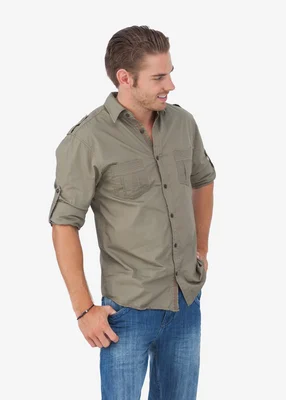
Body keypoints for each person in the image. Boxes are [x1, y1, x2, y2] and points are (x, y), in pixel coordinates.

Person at [49, 25, 215, 399]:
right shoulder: (88, 140)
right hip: (126, 312)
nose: (170, 85)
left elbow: (203, 180)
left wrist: (201, 250)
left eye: (170, 73)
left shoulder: (183, 123)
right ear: (125, 78)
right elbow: (64, 223)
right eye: (158, 77)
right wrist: (83, 310)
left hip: (186, 302)